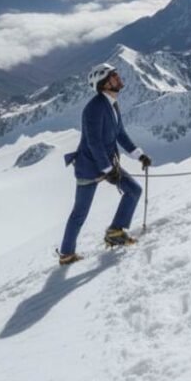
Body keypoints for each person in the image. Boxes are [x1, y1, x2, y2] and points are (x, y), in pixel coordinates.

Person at [58, 63, 152, 265]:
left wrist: (139, 155)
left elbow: (120, 133)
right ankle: (66, 254)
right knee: (80, 213)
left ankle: (115, 232)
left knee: (133, 190)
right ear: (104, 83)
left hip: (107, 165)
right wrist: (108, 170)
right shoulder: (94, 108)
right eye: (114, 76)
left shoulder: (112, 104)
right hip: (89, 168)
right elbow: (94, 143)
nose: (118, 78)